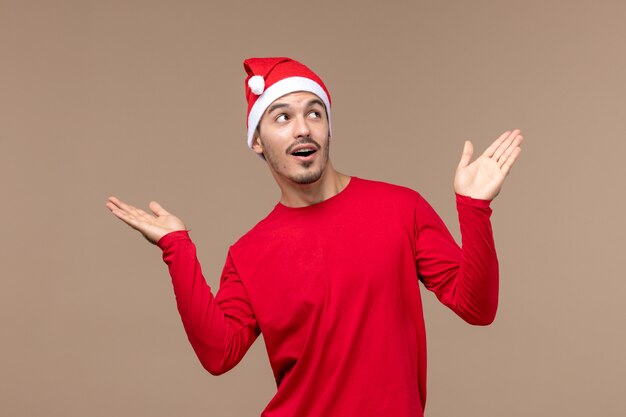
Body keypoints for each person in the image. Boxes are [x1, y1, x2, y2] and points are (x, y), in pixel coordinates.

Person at [106, 57, 523, 417]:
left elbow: (477, 307)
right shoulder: (249, 253)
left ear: (328, 128)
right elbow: (219, 354)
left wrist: (474, 208)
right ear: (256, 140)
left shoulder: (401, 209)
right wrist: (176, 247)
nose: (302, 129)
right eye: (282, 117)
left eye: (314, 113)